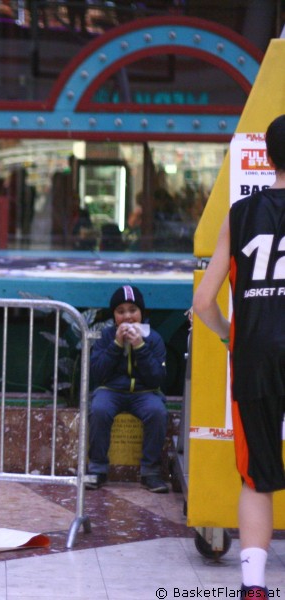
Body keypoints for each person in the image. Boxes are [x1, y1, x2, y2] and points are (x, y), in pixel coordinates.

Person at [193, 114, 285, 600]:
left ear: (267, 157)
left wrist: (231, 335)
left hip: (254, 356)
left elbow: (203, 302)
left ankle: (253, 585)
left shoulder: (240, 213)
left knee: (256, 479)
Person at [86, 284, 169, 494]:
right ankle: (96, 470)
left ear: (142, 312)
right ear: (114, 316)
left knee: (157, 412)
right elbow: (97, 374)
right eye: (120, 311)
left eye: (133, 310)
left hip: (144, 393)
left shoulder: (154, 338)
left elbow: (156, 378)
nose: (128, 317)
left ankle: (150, 472)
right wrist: (116, 345)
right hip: (110, 391)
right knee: (99, 410)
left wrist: (140, 346)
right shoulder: (105, 337)